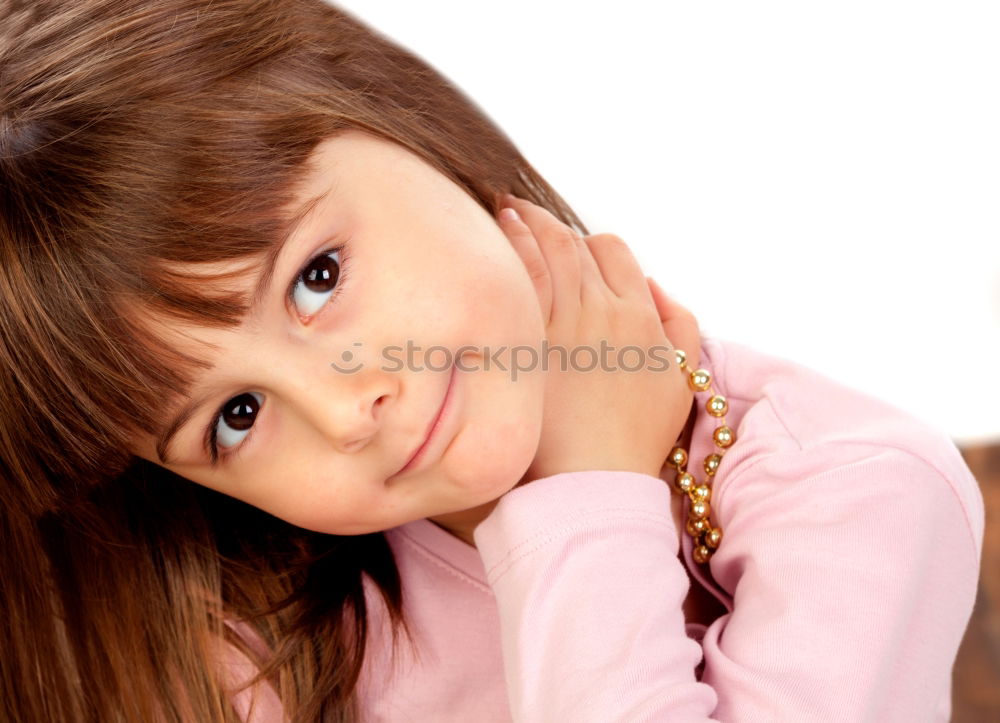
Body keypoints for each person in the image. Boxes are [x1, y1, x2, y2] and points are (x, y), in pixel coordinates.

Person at [0, 1, 983, 721]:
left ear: (397, 120)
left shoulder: (856, 493)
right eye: (237, 418)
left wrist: (591, 488)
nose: (345, 413)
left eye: (317, 276)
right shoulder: (264, 651)